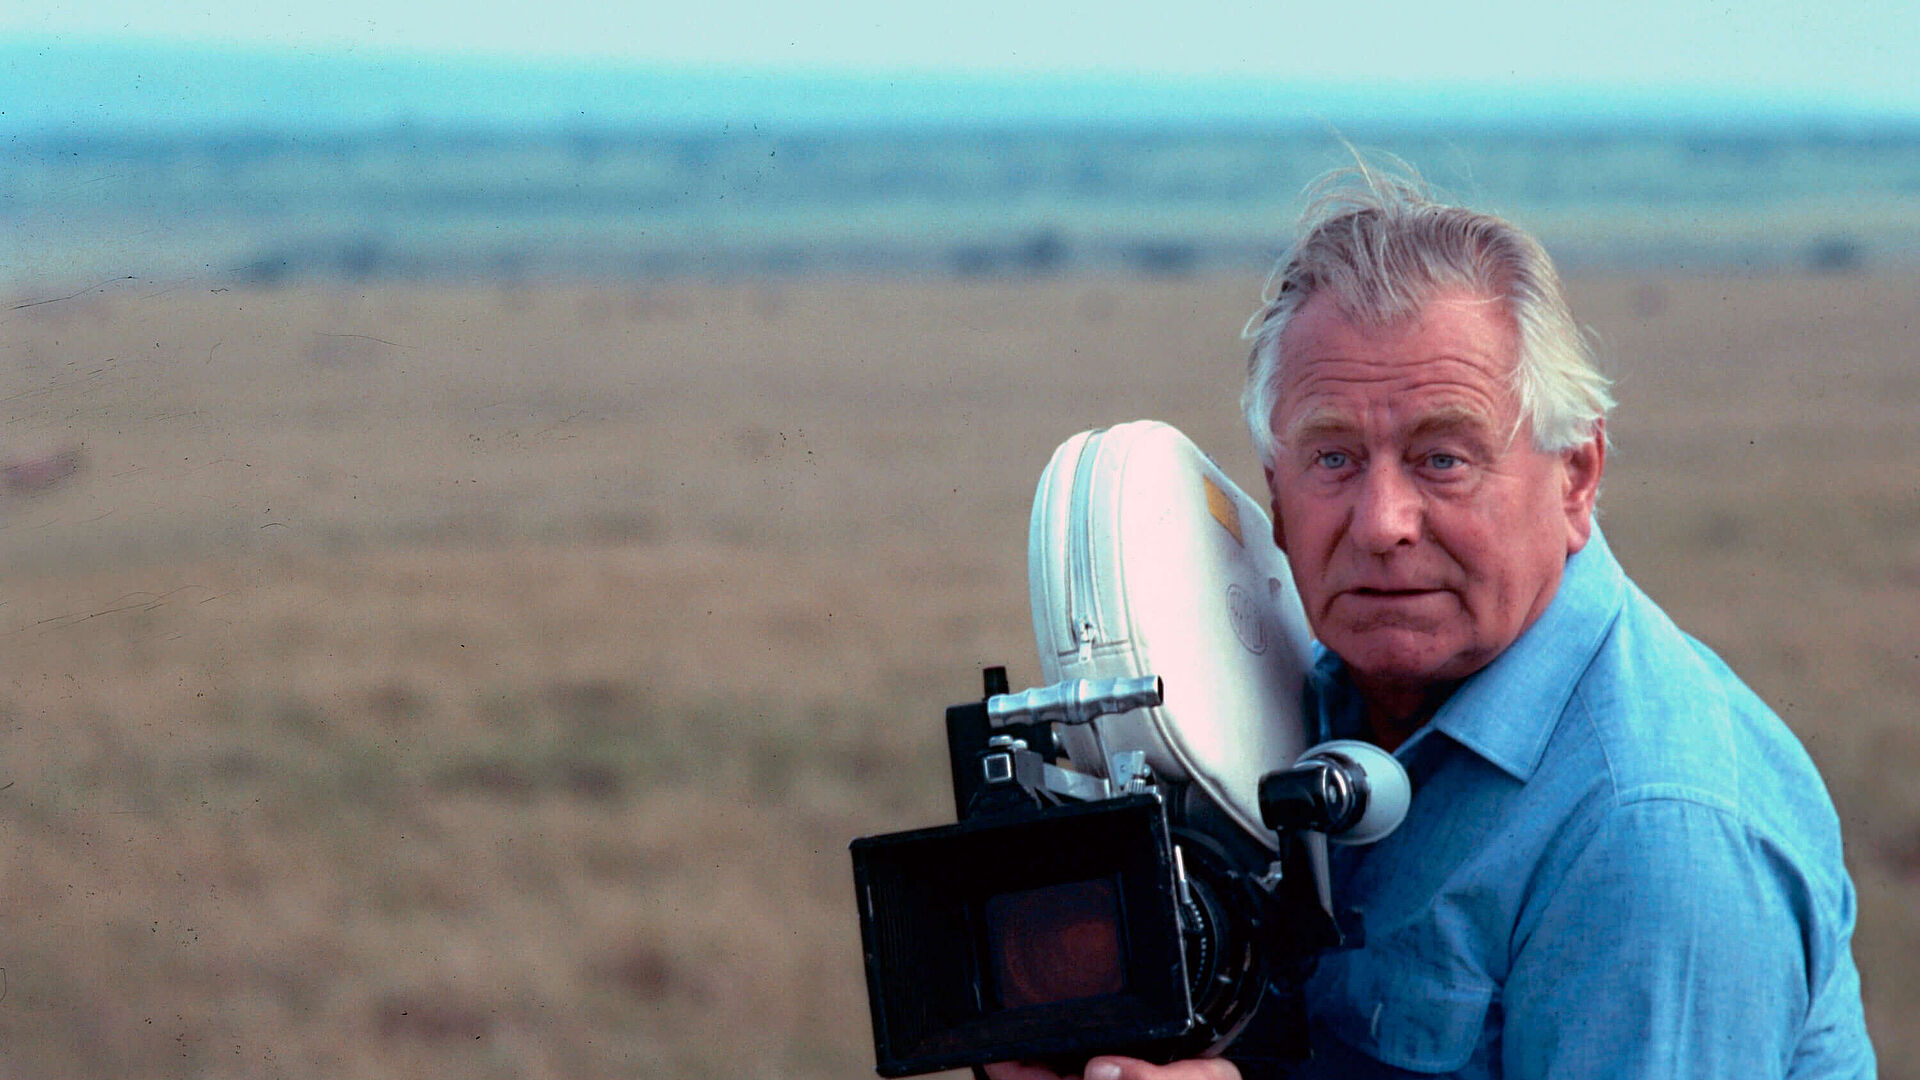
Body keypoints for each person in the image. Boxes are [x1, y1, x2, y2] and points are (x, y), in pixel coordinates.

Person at [989, 165, 1876, 1079]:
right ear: (1276, 501)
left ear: (1576, 477)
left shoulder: (1649, 829)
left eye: (1443, 458)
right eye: (1334, 458)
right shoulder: (1307, 704)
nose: (1382, 524)